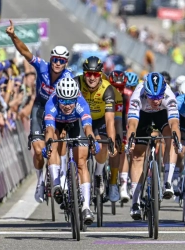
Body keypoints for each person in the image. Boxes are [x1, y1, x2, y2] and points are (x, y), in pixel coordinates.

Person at [6, 19, 73, 203]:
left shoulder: (68, 78)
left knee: (58, 145)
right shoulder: (42, 67)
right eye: (55, 60)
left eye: (62, 61)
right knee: (38, 151)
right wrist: (14, 36)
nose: (57, 63)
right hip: (40, 109)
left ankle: (61, 179)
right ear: (51, 59)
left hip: (59, 113)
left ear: (65, 63)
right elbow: (25, 52)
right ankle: (41, 181)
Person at [126, 72, 181, 220]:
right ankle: (135, 202)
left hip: (161, 115)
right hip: (142, 116)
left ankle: (167, 182)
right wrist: (130, 140)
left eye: (159, 97)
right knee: (137, 154)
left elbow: (174, 122)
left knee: (171, 137)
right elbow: (132, 124)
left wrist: (177, 139)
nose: (156, 101)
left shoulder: (168, 95)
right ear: (146, 92)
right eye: (152, 97)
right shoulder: (138, 94)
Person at [43, 77, 99, 225]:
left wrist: (92, 140)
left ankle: (86, 207)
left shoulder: (81, 103)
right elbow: (49, 129)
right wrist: (47, 144)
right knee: (52, 143)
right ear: (58, 98)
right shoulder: (51, 104)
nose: (67, 105)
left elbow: (87, 127)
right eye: (64, 101)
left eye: (70, 101)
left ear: (76, 97)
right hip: (57, 125)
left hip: (75, 125)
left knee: (81, 162)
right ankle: (56, 183)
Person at [74, 56, 117, 196]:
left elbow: (110, 120)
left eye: (95, 75)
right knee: (80, 150)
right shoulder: (77, 83)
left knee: (102, 144)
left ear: (100, 75)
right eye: (88, 74)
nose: (92, 78)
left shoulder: (107, 89)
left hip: (100, 121)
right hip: (80, 120)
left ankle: (98, 174)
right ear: (83, 74)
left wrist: (111, 140)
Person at [108, 70, 132, 203]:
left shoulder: (127, 95)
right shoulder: (106, 92)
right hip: (106, 120)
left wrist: (126, 137)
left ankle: (123, 185)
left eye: (120, 88)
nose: (118, 91)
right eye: (115, 88)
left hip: (121, 121)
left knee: (121, 151)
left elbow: (127, 118)